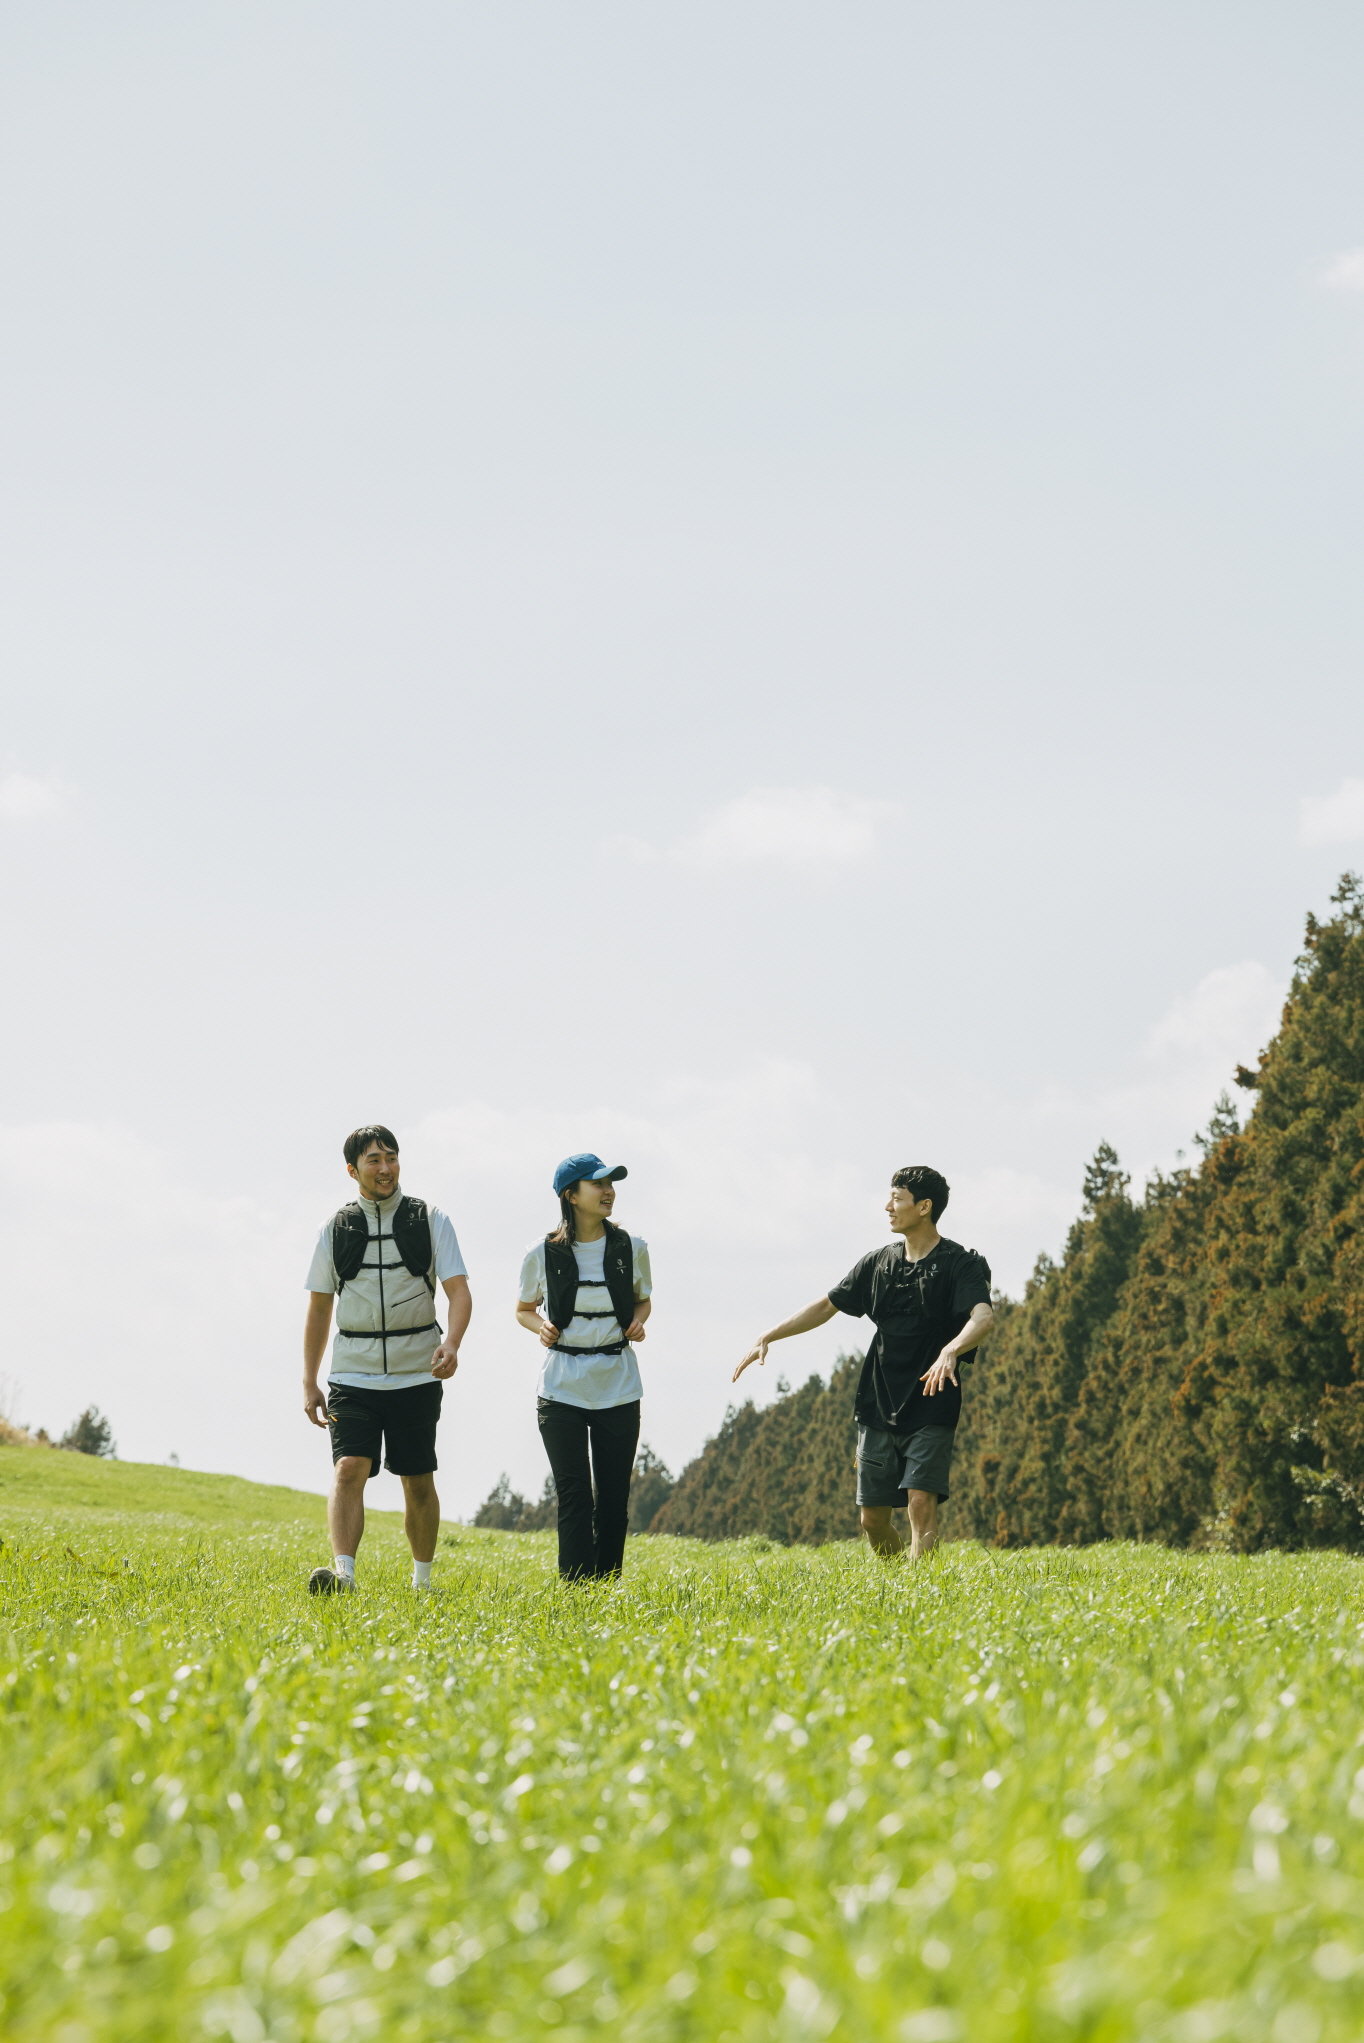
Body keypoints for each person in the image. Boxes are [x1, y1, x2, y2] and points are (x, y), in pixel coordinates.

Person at [733, 1165, 993, 1560]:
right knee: (872, 1519)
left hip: (932, 1398)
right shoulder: (877, 1263)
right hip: (877, 1402)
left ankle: (923, 1588)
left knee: (921, 1503)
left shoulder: (960, 1263)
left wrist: (951, 1350)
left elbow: (983, 1317)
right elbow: (826, 1306)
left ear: (924, 1207)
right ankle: (896, 1582)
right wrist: (769, 1335)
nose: (887, 1207)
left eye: (897, 1199)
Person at [303, 1124, 471, 1594]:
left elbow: (459, 1292)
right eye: (374, 1160)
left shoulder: (431, 1220)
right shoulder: (334, 1229)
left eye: (391, 1158)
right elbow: (319, 1308)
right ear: (352, 1170)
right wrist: (309, 1381)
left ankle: (422, 1584)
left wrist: (453, 1343)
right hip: (352, 1374)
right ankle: (344, 1576)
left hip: (417, 1372)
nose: (385, 1168)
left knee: (417, 1480)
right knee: (348, 1468)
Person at [515, 1153, 652, 1581]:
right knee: (574, 1495)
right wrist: (541, 1327)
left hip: (618, 1384)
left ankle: (606, 1588)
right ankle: (577, 1590)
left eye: (611, 1184)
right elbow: (523, 1310)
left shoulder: (633, 1247)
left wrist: (638, 1322)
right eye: (598, 1184)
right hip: (561, 1388)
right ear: (571, 1196)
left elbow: (643, 1300)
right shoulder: (541, 1253)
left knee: (613, 1497)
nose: (609, 1191)